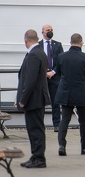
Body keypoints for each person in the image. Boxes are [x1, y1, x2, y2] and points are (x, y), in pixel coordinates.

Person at [55, 33, 85, 156]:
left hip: (65, 92)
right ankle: (84, 147)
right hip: (80, 93)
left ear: (70, 42)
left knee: (65, 120)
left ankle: (62, 146)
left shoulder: (61, 56)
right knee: (83, 121)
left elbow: (58, 73)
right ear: (81, 42)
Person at [17, 29, 50, 168]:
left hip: (33, 99)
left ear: (26, 41)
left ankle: (39, 158)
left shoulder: (34, 55)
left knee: (35, 129)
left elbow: (30, 81)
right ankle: (35, 155)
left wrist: (23, 99)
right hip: (37, 98)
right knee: (35, 129)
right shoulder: (40, 52)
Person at [39, 24, 64, 132]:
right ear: (43, 32)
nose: (50, 31)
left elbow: (61, 61)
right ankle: (40, 125)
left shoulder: (57, 45)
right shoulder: (38, 45)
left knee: (56, 102)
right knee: (40, 102)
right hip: (41, 77)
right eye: (48, 30)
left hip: (54, 77)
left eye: (51, 30)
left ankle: (57, 125)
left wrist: (53, 72)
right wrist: (43, 72)